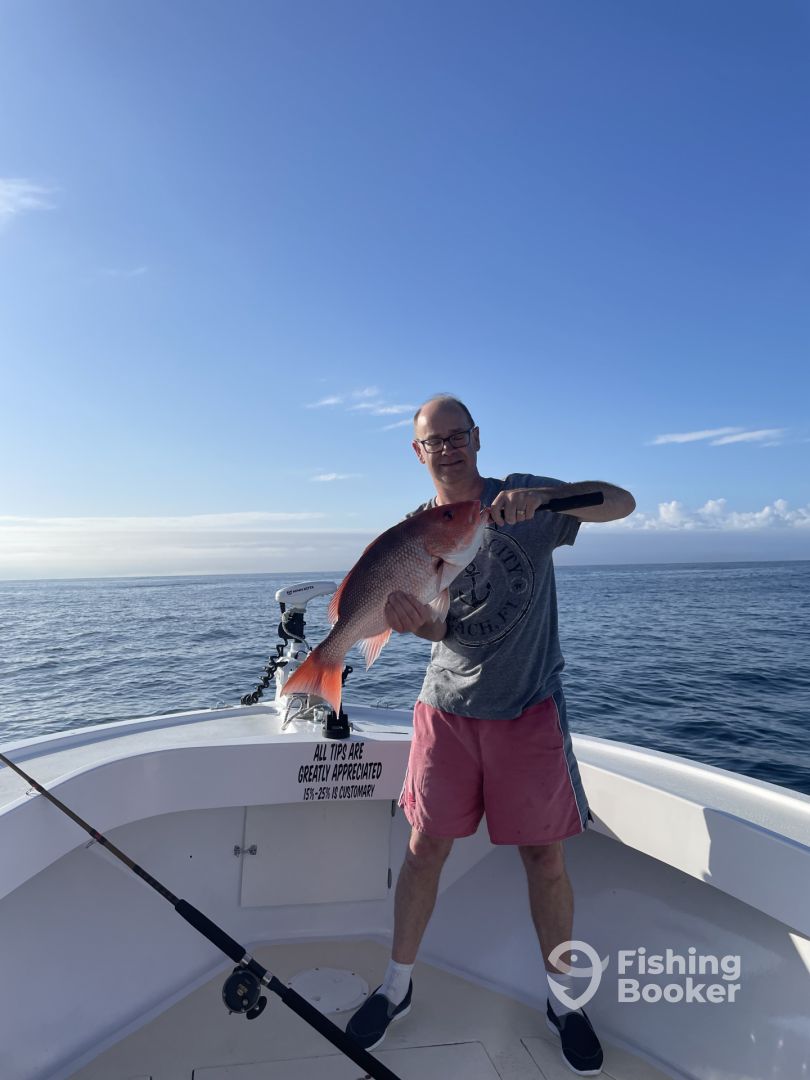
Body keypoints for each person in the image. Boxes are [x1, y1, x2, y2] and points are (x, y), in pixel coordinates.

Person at [346, 393, 636, 1076]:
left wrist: (549, 499)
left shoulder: (524, 500)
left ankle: (563, 1003)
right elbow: (444, 628)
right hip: (447, 708)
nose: (448, 449)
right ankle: (396, 987)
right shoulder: (417, 531)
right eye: (435, 440)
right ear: (418, 452)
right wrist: (417, 626)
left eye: (458, 436)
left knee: (545, 859)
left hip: (529, 706)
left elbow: (621, 503)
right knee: (424, 849)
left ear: (477, 438)